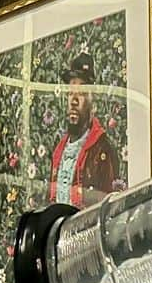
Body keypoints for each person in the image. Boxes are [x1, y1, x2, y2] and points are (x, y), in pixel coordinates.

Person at [48, 52, 121, 207]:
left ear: (92, 100)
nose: (74, 101)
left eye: (81, 94)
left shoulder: (103, 149)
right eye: (70, 94)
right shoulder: (59, 150)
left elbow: (110, 210)